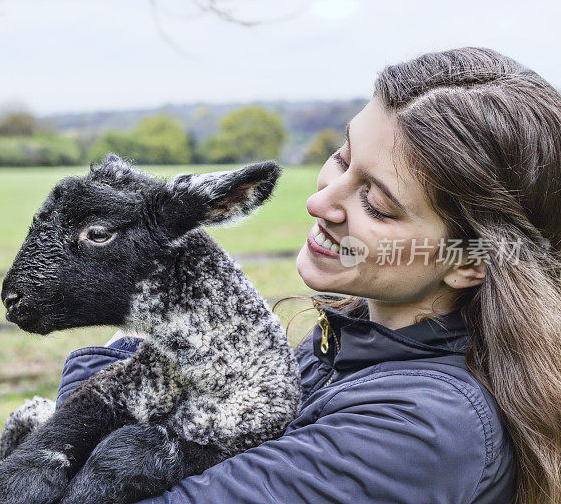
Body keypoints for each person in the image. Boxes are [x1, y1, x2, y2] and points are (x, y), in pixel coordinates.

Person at [50, 47, 561, 503]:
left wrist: (140, 327)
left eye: (377, 204)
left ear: (470, 261)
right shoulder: (339, 348)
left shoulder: (419, 430)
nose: (321, 201)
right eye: (342, 158)